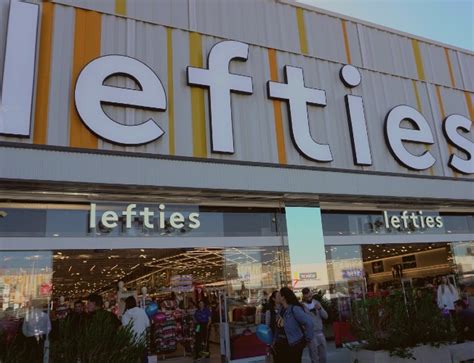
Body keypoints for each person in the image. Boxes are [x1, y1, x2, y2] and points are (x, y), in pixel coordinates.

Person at [274, 287, 314, 363]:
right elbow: (278, 328)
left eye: (279, 295)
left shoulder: (294, 309)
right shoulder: (281, 310)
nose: (277, 297)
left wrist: (308, 338)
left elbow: (309, 322)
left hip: (294, 344)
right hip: (281, 345)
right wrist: (274, 342)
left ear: (283, 297)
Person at [302, 288, 328, 363]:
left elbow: (326, 316)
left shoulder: (316, 302)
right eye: (306, 297)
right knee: (314, 358)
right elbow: (301, 321)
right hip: (311, 334)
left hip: (320, 333)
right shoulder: (302, 307)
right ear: (304, 296)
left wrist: (320, 309)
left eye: (310, 296)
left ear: (311, 294)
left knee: (323, 357)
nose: (308, 298)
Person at [122, 296, 150, 363]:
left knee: (133, 359)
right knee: (144, 358)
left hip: (131, 342)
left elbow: (125, 329)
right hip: (142, 340)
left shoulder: (125, 315)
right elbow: (147, 324)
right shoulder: (141, 312)